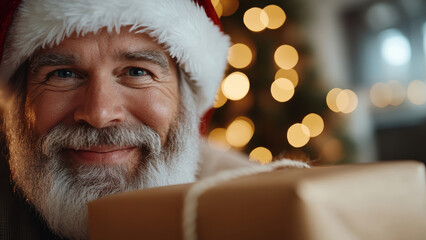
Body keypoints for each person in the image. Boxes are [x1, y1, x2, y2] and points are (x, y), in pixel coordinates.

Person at [0, 0, 252, 239]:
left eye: (137, 72)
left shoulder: (259, 213)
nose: (100, 115)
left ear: (185, 97)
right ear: (19, 99)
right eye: (63, 74)